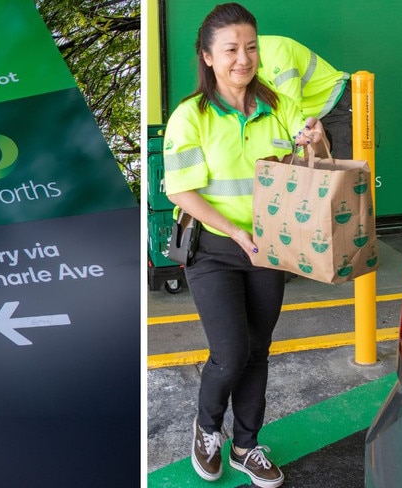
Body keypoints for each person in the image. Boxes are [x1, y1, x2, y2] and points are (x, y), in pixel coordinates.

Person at [162, 3, 329, 487]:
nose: (244, 58)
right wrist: (236, 233)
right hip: (215, 247)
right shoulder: (189, 116)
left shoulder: (278, 104)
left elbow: (315, 161)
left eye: (251, 47)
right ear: (208, 56)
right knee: (231, 352)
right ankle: (207, 429)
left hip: (270, 248)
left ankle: (247, 444)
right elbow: (180, 191)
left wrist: (316, 139)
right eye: (231, 49)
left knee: (259, 349)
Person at [257, 35, 352, 159]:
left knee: (347, 171)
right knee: (310, 170)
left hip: (337, 103)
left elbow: (291, 104)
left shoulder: (276, 51)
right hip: (309, 116)